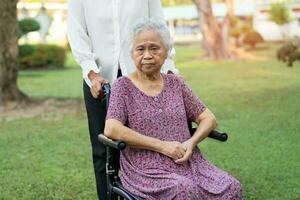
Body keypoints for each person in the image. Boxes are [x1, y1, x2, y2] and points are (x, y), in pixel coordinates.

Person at [104, 19, 243, 200]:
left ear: (166, 52)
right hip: (146, 168)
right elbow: (111, 128)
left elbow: (209, 119)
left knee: (232, 186)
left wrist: (190, 143)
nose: (147, 55)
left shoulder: (175, 83)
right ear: (132, 53)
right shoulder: (123, 86)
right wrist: (163, 146)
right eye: (140, 49)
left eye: (154, 48)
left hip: (188, 161)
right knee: (183, 189)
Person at [67, 1, 178, 199]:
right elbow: (76, 32)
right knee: (104, 151)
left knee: (146, 146)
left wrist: (169, 68)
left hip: (143, 76)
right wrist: (92, 73)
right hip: (99, 81)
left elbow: (160, 25)